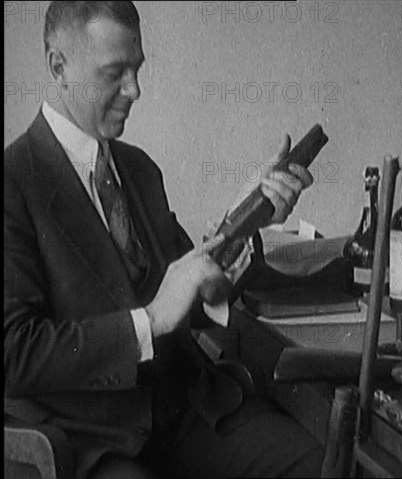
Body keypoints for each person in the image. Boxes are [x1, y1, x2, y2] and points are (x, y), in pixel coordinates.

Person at [4, 2, 323, 478]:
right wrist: (148, 320)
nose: (135, 89)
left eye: (137, 69)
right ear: (58, 66)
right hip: (92, 441)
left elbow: (188, 297)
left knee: (319, 463)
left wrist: (242, 223)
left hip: (187, 411)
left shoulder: (138, 169)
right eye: (115, 72)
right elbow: (14, 351)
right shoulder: (13, 183)